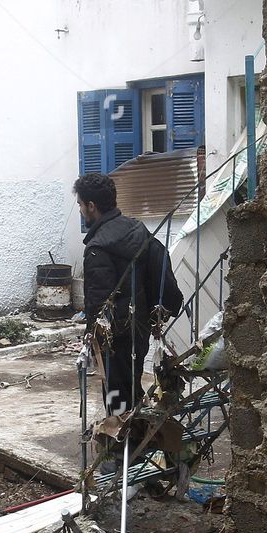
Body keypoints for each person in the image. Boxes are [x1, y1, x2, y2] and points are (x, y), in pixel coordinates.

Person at [76, 172, 184, 417]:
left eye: (81, 205)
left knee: (115, 391)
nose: (81, 210)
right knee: (132, 383)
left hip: (114, 335)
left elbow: (98, 302)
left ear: (92, 206)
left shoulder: (98, 247)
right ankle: (135, 435)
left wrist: (92, 339)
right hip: (140, 326)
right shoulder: (137, 229)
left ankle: (121, 442)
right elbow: (158, 268)